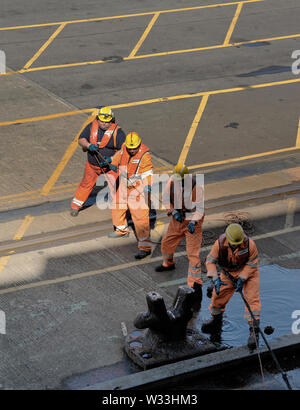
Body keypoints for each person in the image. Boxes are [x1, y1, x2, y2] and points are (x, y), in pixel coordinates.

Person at [201, 223, 261, 349]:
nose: (236, 245)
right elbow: (210, 261)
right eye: (234, 243)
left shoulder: (250, 245)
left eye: (238, 243)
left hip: (249, 273)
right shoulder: (219, 244)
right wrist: (216, 279)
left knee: (252, 300)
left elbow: (252, 263)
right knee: (218, 296)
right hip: (228, 273)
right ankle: (216, 322)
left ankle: (254, 331)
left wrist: (243, 277)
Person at [155, 163, 204, 310]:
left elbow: (200, 209)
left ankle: (195, 286)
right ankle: (168, 264)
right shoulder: (171, 182)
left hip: (191, 222)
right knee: (166, 244)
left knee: (192, 254)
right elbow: (165, 199)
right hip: (178, 219)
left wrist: (193, 222)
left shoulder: (196, 187)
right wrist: (172, 211)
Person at [104, 131, 153, 260]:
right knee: (117, 205)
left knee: (140, 218)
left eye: (134, 148)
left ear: (139, 145)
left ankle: (145, 248)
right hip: (125, 184)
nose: (132, 151)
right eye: (130, 148)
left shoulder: (145, 156)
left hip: (138, 188)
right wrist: (111, 163)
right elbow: (118, 156)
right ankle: (121, 230)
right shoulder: (125, 149)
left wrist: (147, 185)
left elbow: (148, 173)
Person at [70, 107, 126, 216]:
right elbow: (81, 139)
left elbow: (122, 150)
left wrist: (112, 159)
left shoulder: (118, 133)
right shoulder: (91, 127)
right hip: (92, 166)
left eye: (107, 122)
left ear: (111, 120)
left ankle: (121, 209)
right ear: (98, 119)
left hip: (110, 167)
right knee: (86, 184)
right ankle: (75, 206)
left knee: (117, 187)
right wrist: (88, 145)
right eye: (101, 121)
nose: (104, 124)